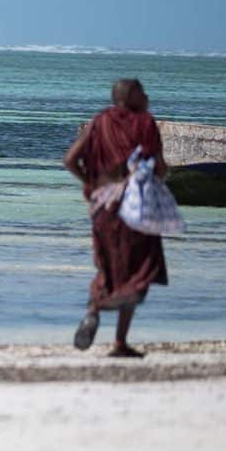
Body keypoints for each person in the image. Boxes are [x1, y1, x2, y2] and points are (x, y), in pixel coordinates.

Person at [64, 79, 169, 358]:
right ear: (131, 97)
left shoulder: (99, 122)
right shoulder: (144, 124)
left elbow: (70, 160)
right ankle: (120, 341)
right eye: (143, 92)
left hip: (103, 206)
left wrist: (92, 184)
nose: (147, 96)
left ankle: (92, 311)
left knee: (107, 265)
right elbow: (158, 168)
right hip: (134, 209)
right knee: (136, 269)